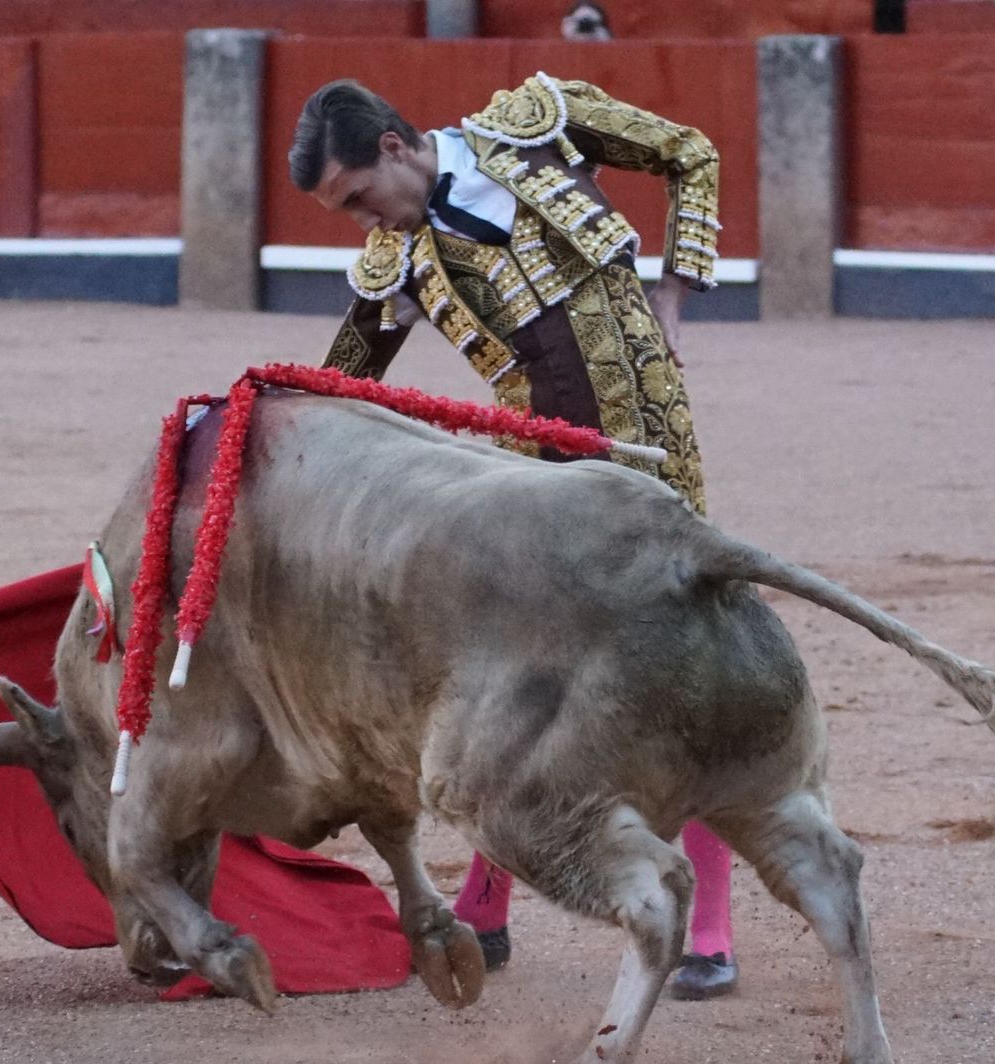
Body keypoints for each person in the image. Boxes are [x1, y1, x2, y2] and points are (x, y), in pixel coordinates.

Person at [289, 74, 738, 1000]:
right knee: (524, 676)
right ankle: (485, 907)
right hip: (536, 474)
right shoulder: (396, 259)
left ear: (394, 147)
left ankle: (711, 924)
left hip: (651, 441)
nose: (366, 223)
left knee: (689, 660)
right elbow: (337, 390)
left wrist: (674, 295)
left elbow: (689, 151)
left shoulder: (536, 127)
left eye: (361, 197)